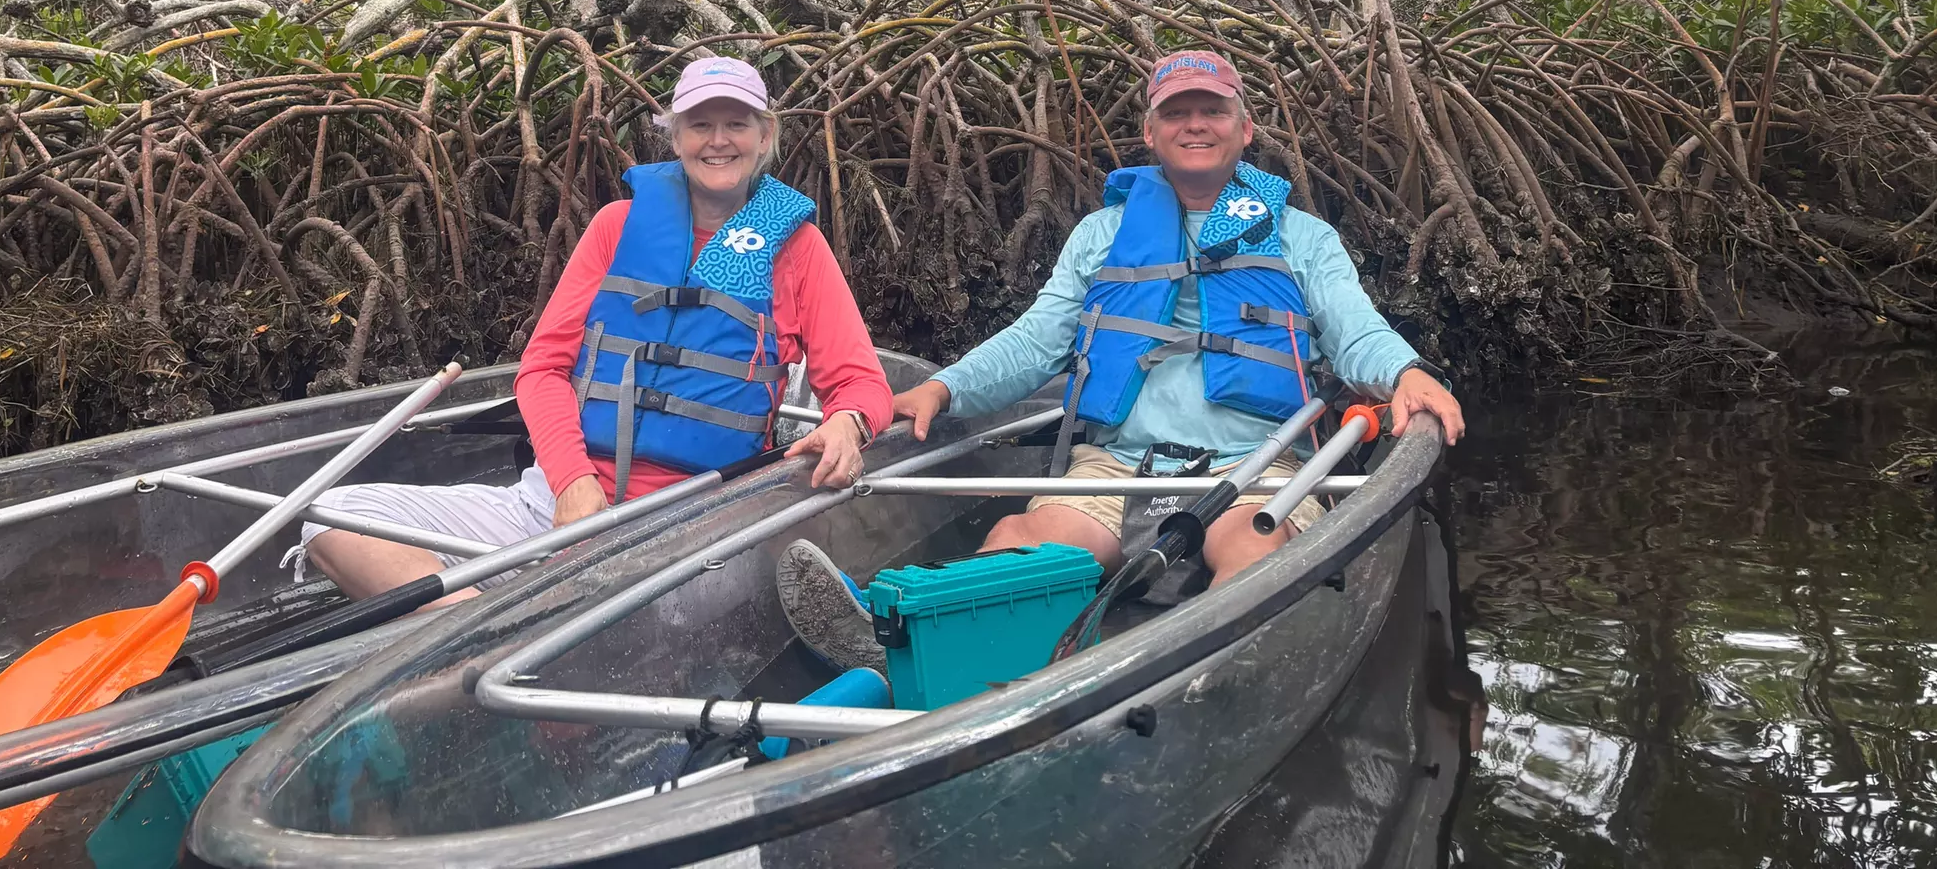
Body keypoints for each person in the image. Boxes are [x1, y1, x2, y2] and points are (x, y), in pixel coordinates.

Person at [778, 48, 1463, 667]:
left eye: (1213, 111)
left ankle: (1201, 674)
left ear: (1245, 129)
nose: (1195, 125)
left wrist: (1406, 373)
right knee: (1026, 538)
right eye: (1177, 113)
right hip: (1113, 466)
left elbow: (1355, 330)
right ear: (1150, 133)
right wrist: (945, 389)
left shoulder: (1301, 237)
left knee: (1256, 549)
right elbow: (1039, 339)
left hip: (1253, 465)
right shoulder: (1102, 234)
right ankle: (903, 646)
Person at [300, 56, 895, 601]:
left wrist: (847, 422)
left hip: (693, 525)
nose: (718, 141)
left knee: (639, 616)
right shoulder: (617, 225)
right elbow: (542, 369)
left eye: (736, 123)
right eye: (699, 124)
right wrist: (571, 482)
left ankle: (490, 652)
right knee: (330, 519)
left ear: (765, 136)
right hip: (560, 503)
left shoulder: (796, 248)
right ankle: (481, 650)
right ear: (675, 136)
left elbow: (862, 386)